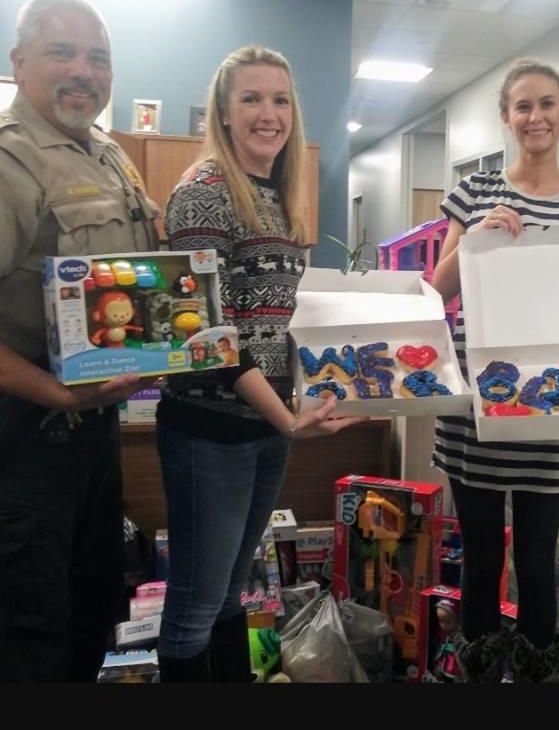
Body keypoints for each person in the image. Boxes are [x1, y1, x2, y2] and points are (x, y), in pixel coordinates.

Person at [0, 0, 159, 681]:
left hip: (93, 427)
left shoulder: (108, 156)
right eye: (61, 53)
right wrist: (58, 396)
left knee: (95, 610)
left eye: (97, 58)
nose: (83, 72)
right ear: (18, 63)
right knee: (32, 632)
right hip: (25, 426)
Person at [155, 45, 363, 682]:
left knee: (228, 596)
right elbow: (207, 337)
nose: (268, 114)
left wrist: (297, 407)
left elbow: (272, 321)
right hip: (210, 431)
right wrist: (288, 419)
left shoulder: (273, 196)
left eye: (280, 100)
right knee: (194, 608)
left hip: (264, 429)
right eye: (251, 98)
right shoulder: (205, 192)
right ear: (223, 110)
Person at [431, 59, 559, 683]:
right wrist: (477, 235)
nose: (535, 117)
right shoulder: (474, 193)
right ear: (506, 118)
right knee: (481, 556)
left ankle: (537, 670)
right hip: (476, 397)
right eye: (522, 107)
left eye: (547, 104)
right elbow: (438, 289)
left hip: (548, 401)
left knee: (537, 557)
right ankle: (478, 666)